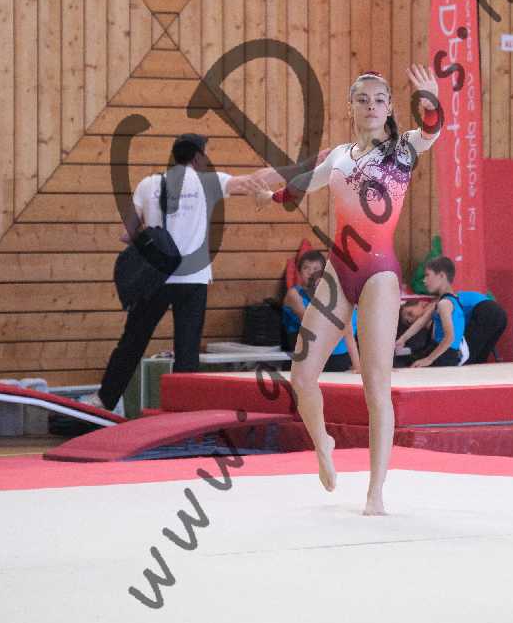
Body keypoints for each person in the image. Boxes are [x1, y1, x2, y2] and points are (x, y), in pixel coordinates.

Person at [254, 65, 441, 515]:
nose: (371, 106)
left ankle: (376, 491)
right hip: (338, 272)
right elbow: (301, 186)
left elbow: (433, 129)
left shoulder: (402, 149)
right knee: (301, 376)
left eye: (379, 100)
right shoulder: (339, 155)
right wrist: (271, 197)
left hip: (379, 274)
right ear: (350, 107)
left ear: (390, 108)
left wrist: (430, 99)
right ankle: (323, 442)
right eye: (363, 99)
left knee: (376, 386)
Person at [89, 134, 261, 411]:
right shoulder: (208, 182)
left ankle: (104, 400)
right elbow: (251, 181)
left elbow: (127, 234)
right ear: (198, 157)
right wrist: (306, 167)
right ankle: (183, 410)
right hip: (192, 279)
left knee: (133, 341)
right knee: (187, 348)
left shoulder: (149, 184)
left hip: (155, 276)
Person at [396, 256, 507, 368]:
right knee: (477, 360)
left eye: (427, 275)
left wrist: (428, 359)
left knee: (467, 359)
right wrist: (402, 339)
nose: (424, 280)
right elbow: (422, 322)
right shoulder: (443, 302)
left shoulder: (442, 302)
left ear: (441, 276)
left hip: (486, 310)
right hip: (499, 315)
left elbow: (424, 322)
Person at [282, 250, 361, 373]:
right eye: (306, 268)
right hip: (307, 347)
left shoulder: (330, 293)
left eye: (315, 269)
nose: (310, 272)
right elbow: (310, 324)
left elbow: (348, 330)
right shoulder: (294, 294)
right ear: (299, 272)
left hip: (335, 351)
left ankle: (358, 366)